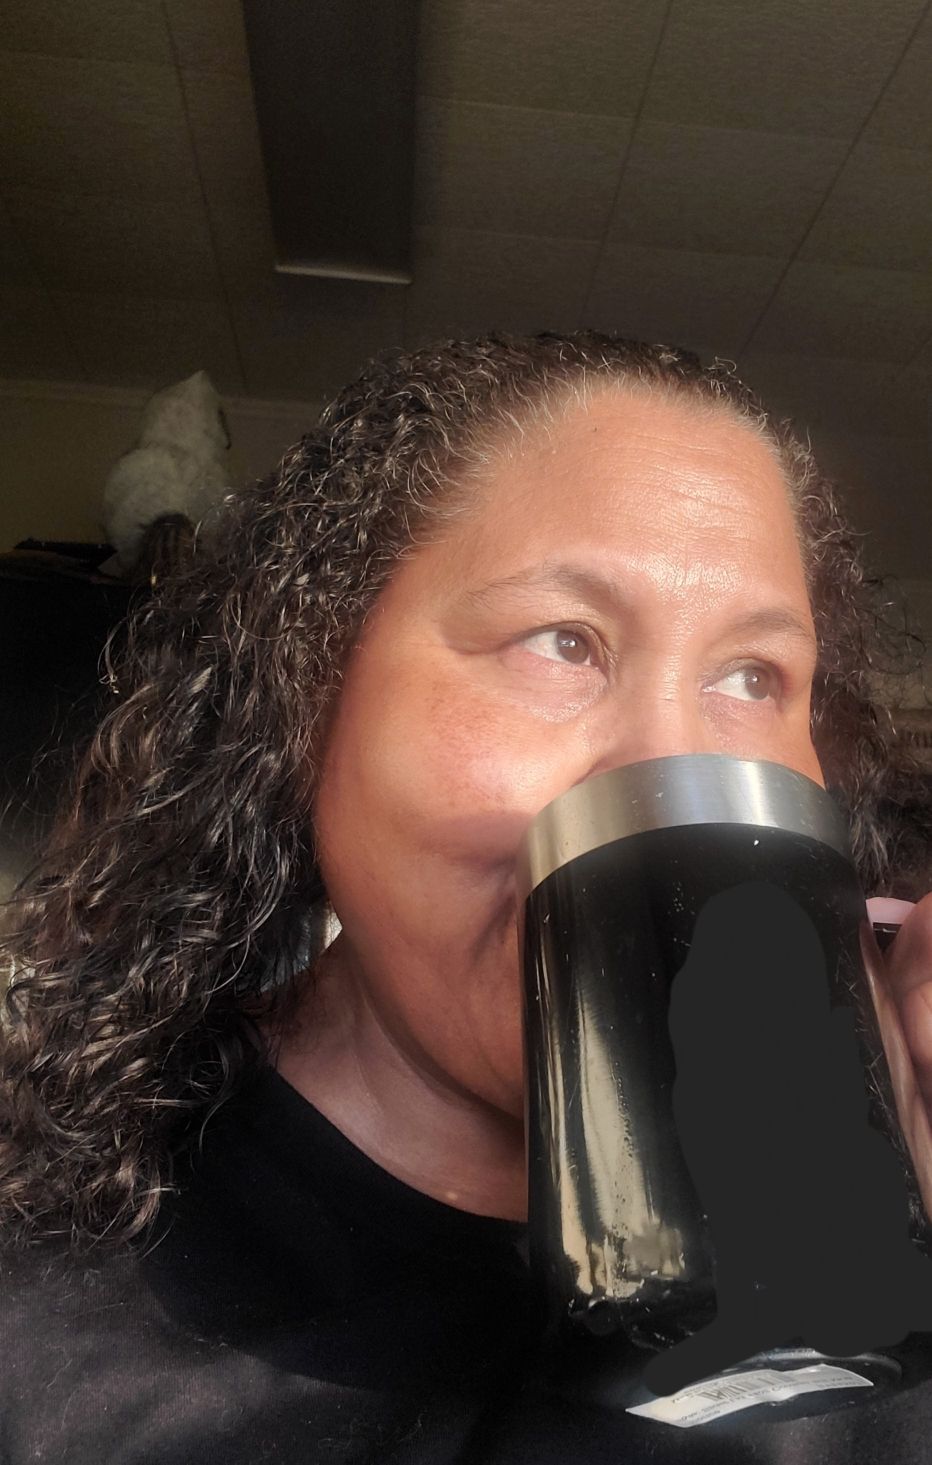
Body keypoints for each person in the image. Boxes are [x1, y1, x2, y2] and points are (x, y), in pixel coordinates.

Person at [1, 331, 931, 1464]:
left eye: (752, 676)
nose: (671, 766)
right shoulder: (41, 1312)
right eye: (563, 642)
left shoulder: (872, 1284)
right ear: (307, 700)